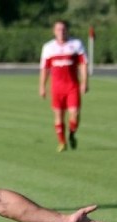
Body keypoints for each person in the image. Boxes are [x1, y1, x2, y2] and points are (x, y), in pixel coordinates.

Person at [39, 20, 89, 153]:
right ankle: (62, 142)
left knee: (75, 113)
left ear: (67, 30)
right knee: (59, 116)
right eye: (58, 29)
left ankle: (72, 133)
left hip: (72, 86)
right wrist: (42, 86)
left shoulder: (76, 44)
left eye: (63, 29)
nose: (61, 32)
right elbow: (45, 68)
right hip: (56, 88)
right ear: (54, 31)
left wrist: (85, 82)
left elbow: (83, 64)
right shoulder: (48, 47)